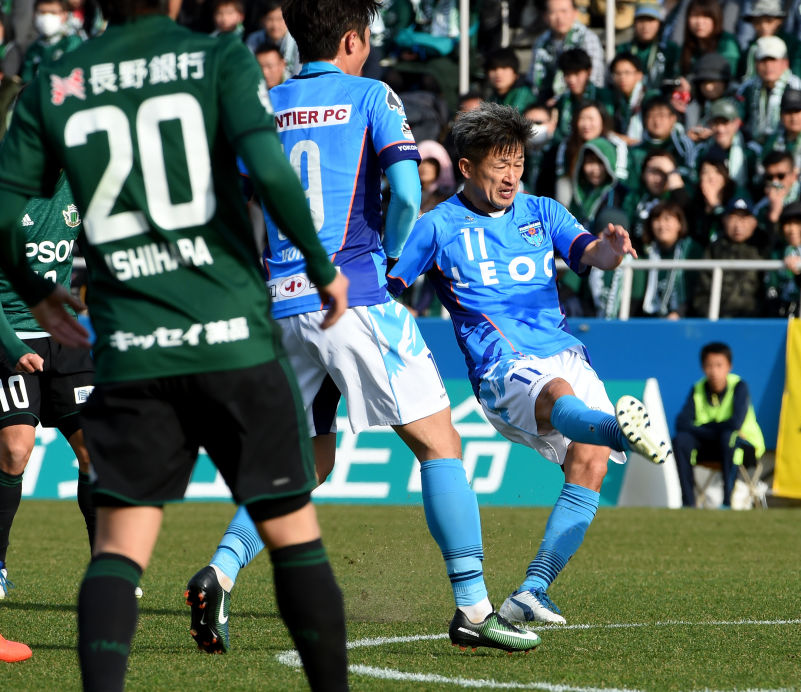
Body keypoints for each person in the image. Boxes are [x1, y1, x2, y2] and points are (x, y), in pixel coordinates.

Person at [0, 0, 354, 687]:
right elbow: (269, 170)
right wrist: (319, 262)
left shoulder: (58, 79)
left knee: (117, 549)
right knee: (292, 534)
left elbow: (8, 203)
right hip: (233, 339)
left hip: (134, 349)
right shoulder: (220, 57)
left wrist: (36, 288)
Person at [185, 0, 539, 657]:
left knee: (308, 458)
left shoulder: (265, 101)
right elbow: (406, 192)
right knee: (441, 444)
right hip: (353, 296)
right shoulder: (373, 94)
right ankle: (473, 607)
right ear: (354, 38)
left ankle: (223, 569)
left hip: (282, 303)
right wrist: (394, 265)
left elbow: (233, 203)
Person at [387, 102, 673, 625]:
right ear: (468, 167)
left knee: (588, 464)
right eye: (500, 164)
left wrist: (611, 250)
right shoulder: (437, 227)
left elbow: (590, 253)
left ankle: (532, 592)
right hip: (500, 365)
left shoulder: (542, 212)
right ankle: (620, 430)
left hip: (562, 347)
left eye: (518, 163)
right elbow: (390, 287)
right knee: (559, 393)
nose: (512, 176)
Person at [0, 176, 95, 602]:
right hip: (11, 334)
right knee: (15, 451)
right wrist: (14, 347)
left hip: (64, 338)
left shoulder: (80, 183)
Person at [672, 341, 765, 509]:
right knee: (681, 440)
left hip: (746, 448)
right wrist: (716, 428)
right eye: (709, 365)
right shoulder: (698, 388)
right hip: (713, 444)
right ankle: (688, 502)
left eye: (719, 365)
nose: (714, 371)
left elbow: (735, 423)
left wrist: (705, 428)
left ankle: (727, 502)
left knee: (728, 437)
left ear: (729, 366)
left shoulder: (739, 387)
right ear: (702, 367)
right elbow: (681, 423)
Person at [691, 196, 770, 317]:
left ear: (754, 222)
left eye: (744, 219)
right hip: (720, 323)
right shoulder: (714, 249)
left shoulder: (763, 248)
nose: (738, 225)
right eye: (733, 218)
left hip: (756, 323)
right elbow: (701, 293)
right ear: (724, 220)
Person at [529, 0, 606, 101]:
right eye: (553, 12)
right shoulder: (541, 42)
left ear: (575, 13)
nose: (559, 18)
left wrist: (559, 100)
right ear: (545, 16)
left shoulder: (588, 38)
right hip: (545, 100)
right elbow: (533, 79)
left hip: (583, 99)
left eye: (564, 11)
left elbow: (596, 79)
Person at [19, 0, 84, 83]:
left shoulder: (72, 43)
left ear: (64, 14)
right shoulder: (34, 47)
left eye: (53, 12)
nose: (47, 17)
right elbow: (26, 79)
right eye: (42, 12)